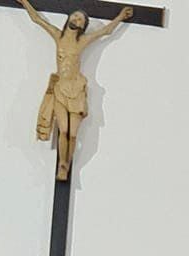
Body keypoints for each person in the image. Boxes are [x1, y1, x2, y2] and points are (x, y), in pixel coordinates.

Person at [15, 1, 134, 179]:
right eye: (76, 16)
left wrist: (120, 17)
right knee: (63, 129)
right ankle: (62, 165)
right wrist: (25, 2)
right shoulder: (58, 36)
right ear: (69, 18)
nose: (77, 19)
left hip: (76, 89)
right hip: (61, 88)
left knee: (72, 134)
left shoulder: (82, 41)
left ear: (82, 26)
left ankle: (67, 164)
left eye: (81, 20)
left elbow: (105, 32)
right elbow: (37, 19)